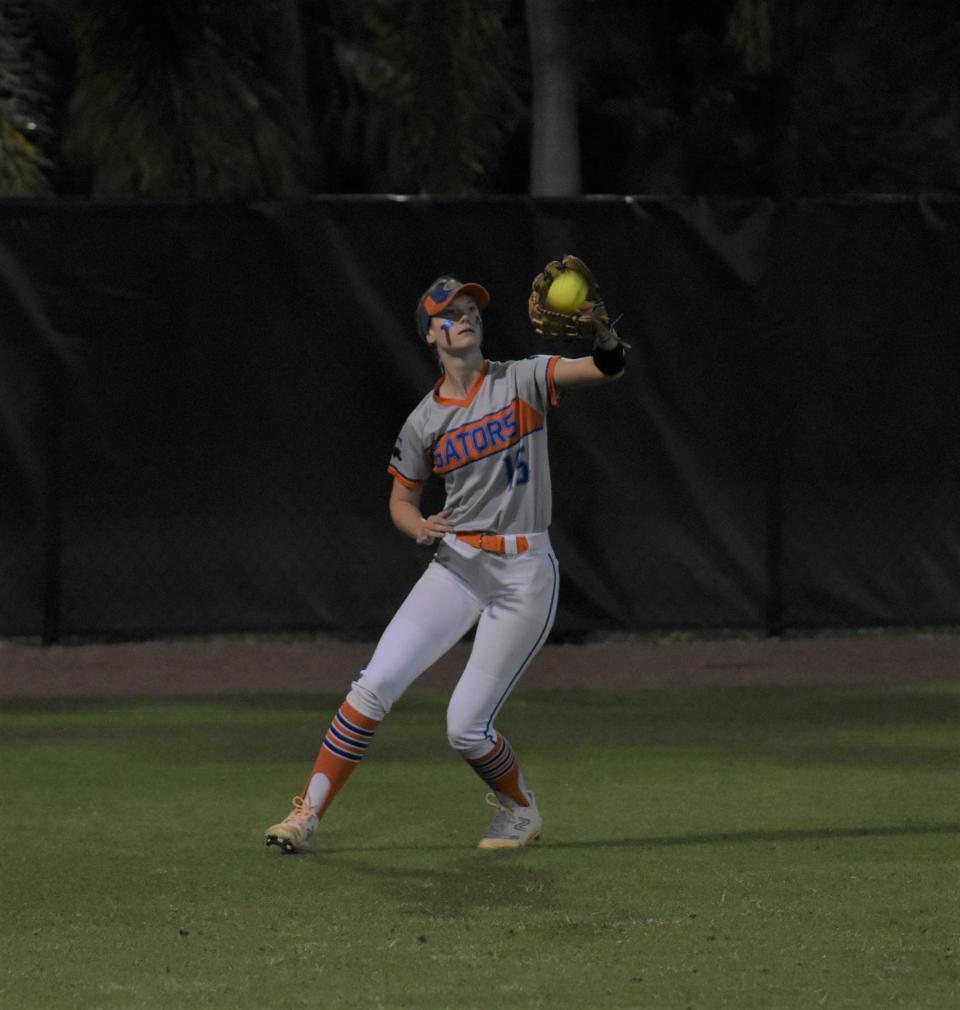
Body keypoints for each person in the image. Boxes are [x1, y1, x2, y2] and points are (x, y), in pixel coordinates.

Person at [266, 267, 626, 853]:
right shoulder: (423, 421)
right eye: (450, 315)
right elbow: (401, 499)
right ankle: (307, 815)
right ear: (430, 336)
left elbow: (606, 368)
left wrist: (604, 334)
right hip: (457, 565)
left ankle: (519, 808)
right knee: (374, 681)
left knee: (465, 729)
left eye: (471, 310)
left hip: (523, 573)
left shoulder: (522, 379)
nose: (465, 319)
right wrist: (418, 525)